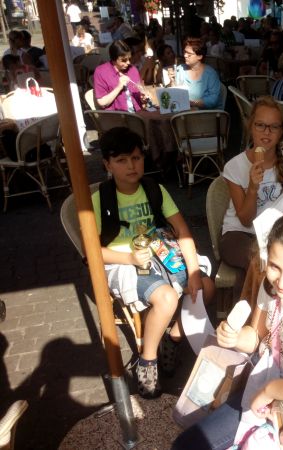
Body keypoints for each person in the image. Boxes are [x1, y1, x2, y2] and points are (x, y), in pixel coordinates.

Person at [172, 212, 283, 449]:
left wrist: (271, 391)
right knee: (186, 445)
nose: (282, 282)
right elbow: (257, 336)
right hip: (270, 375)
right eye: (274, 266)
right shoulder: (271, 285)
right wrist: (235, 337)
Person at [91, 127, 215, 398]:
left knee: (205, 286)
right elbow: (92, 252)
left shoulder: (154, 189)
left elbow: (182, 230)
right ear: (107, 165)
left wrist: (194, 271)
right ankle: (147, 360)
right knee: (167, 298)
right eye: (121, 160)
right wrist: (129, 257)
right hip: (123, 262)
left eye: (136, 158)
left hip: (161, 253)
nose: (131, 166)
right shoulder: (100, 200)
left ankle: (172, 338)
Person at [220, 96, 283, 294]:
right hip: (239, 233)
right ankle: (255, 311)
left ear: (281, 132)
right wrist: (253, 187)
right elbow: (245, 220)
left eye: (274, 127)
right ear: (251, 127)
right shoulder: (234, 166)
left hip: (275, 233)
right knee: (260, 263)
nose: (266, 132)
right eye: (260, 125)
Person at [93, 40, 144, 112]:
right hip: (117, 115)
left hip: (137, 112)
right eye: (124, 60)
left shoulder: (132, 69)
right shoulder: (101, 72)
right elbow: (102, 102)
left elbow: (138, 92)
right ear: (114, 59)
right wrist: (119, 87)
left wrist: (143, 97)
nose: (128, 62)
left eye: (129, 59)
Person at [175, 37, 223, 109]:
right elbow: (174, 92)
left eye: (189, 54)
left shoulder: (210, 74)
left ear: (200, 56)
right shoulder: (180, 69)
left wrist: (193, 104)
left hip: (206, 113)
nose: (185, 55)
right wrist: (171, 80)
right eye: (185, 52)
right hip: (183, 111)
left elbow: (213, 99)